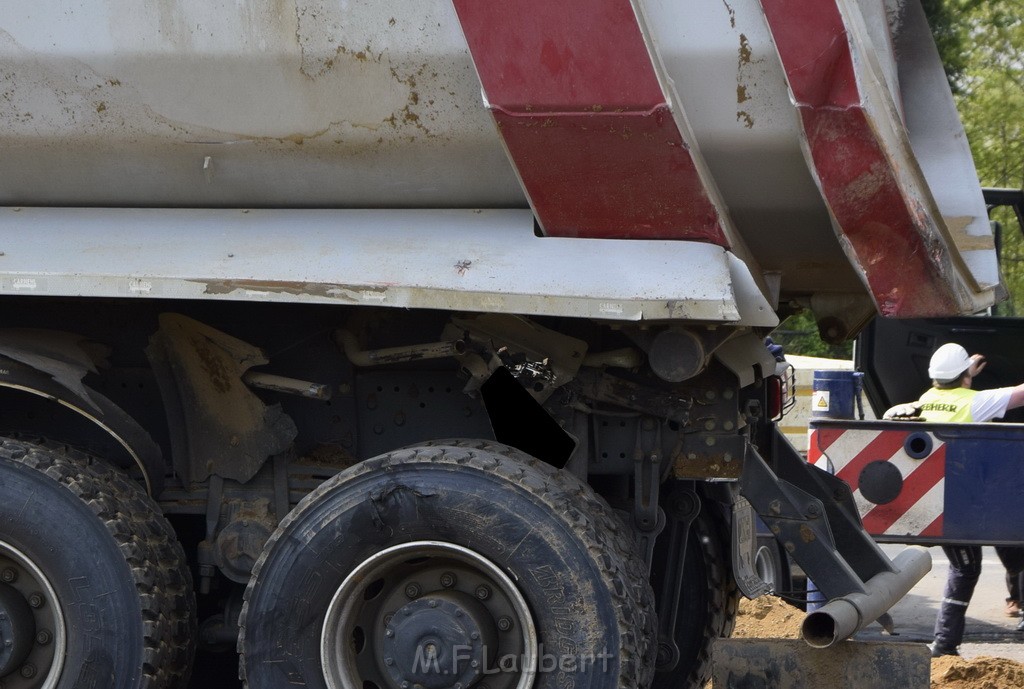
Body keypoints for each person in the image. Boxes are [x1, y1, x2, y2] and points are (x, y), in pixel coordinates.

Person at [896, 343, 1024, 657]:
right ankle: (945, 645)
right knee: (1001, 556)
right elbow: (1020, 394)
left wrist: (967, 369)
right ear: (964, 375)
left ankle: (944, 645)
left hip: (944, 503)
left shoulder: (926, 400)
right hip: (982, 502)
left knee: (971, 566)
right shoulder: (978, 401)